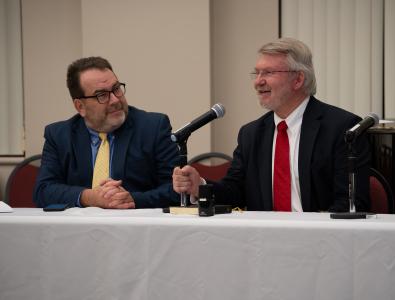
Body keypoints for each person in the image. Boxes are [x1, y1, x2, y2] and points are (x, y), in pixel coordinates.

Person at [173, 38, 370, 212]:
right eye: (256, 73)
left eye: (268, 72)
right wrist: (200, 186)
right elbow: (235, 193)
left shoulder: (342, 128)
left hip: (319, 243)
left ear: (298, 79)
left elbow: (350, 201)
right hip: (262, 242)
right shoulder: (251, 134)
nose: (258, 82)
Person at [33, 56, 179, 209]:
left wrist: (133, 199)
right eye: (102, 95)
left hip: (137, 228)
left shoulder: (153, 127)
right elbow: (43, 191)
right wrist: (89, 197)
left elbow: (176, 190)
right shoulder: (59, 135)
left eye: (116, 88)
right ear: (80, 106)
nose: (115, 100)